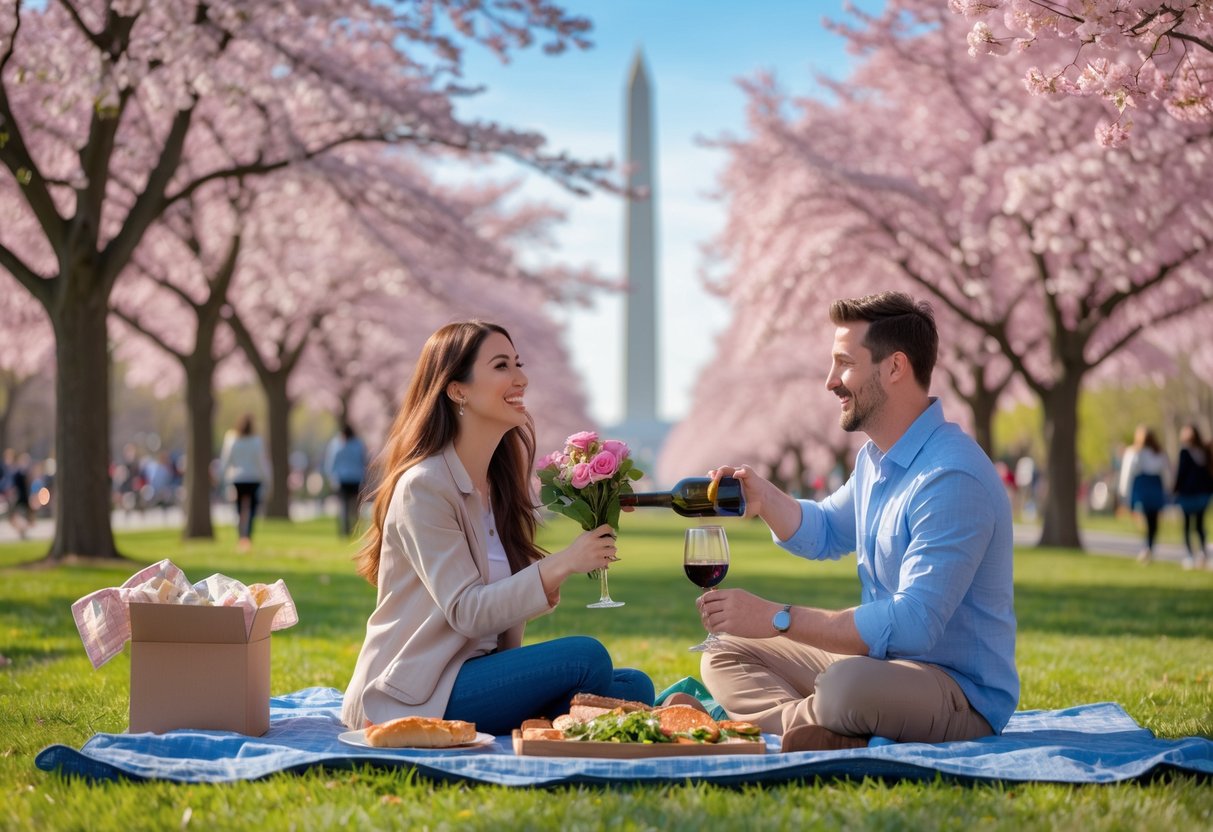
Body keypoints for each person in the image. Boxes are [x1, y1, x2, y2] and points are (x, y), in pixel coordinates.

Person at [693, 292, 1017, 753]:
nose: (829, 382)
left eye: (844, 364)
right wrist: (764, 498)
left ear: (894, 368)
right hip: (881, 665)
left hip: (958, 692)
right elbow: (824, 530)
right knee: (723, 649)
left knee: (847, 686)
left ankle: (767, 721)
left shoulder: (951, 477)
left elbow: (913, 625)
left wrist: (776, 618)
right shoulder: (875, 460)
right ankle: (815, 726)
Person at [342, 321, 653, 734]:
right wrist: (561, 565)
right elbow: (468, 612)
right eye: (502, 365)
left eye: (518, 364)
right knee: (587, 659)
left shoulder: (495, 486)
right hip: (415, 688)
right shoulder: (425, 487)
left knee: (635, 685)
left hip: (475, 674)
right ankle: (555, 723)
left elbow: (493, 618)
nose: (520, 378)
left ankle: (555, 722)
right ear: (458, 390)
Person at [1117, 425, 1170, 564]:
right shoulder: (1157, 453)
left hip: (1143, 488)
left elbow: (1126, 474)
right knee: (1152, 520)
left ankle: (1147, 547)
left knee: (1145, 519)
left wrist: (1123, 493)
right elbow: (1167, 474)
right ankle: (1148, 546)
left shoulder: (1134, 453)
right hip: (1153, 488)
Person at [218, 414, 270, 552]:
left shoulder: (232, 439)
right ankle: (247, 536)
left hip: (238, 478)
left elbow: (226, 459)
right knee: (252, 510)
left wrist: (222, 477)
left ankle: (241, 536)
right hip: (253, 477)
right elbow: (261, 462)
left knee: (239, 509)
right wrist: (267, 478)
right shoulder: (256, 441)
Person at [1173, 424, 1213, 570]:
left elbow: (1181, 473)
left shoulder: (1190, 452)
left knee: (1190, 525)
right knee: (1197, 525)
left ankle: (1193, 555)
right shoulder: (1202, 451)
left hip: (1191, 493)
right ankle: (1199, 554)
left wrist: (1175, 489)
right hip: (1201, 493)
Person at [324, 423, 368, 537]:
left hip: (341, 479)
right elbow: (363, 461)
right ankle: (355, 528)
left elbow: (331, 462)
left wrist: (330, 476)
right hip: (355, 478)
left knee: (344, 506)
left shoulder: (336, 444)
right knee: (355, 506)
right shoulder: (358, 444)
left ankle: (345, 530)